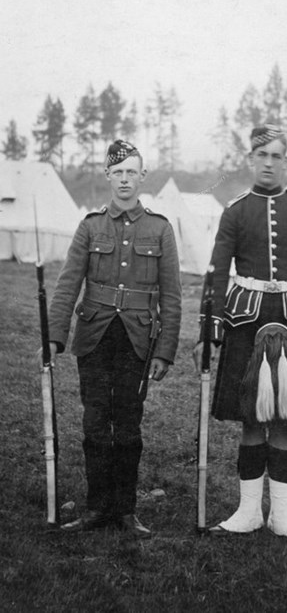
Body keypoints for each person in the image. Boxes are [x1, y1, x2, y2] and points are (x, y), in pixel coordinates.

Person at [193, 125, 287, 546]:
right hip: (245, 323)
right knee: (251, 419)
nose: (269, 163)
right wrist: (210, 330)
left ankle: (283, 517)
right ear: (251, 159)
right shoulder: (235, 210)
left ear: (286, 161)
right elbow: (216, 274)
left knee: (284, 418)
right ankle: (248, 512)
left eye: (276, 156)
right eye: (261, 155)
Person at [47, 139, 181, 537]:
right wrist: (55, 337)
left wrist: (165, 352)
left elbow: (172, 296)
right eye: (117, 173)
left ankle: (124, 510)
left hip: (137, 341)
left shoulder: (160, 229)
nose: (124, 180)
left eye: (131, 173)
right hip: (94, 337)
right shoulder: (90, 225)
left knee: (128, 426)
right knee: (94, 423)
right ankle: (95, 507)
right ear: (108, 177)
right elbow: (68, 284)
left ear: (142, 177)